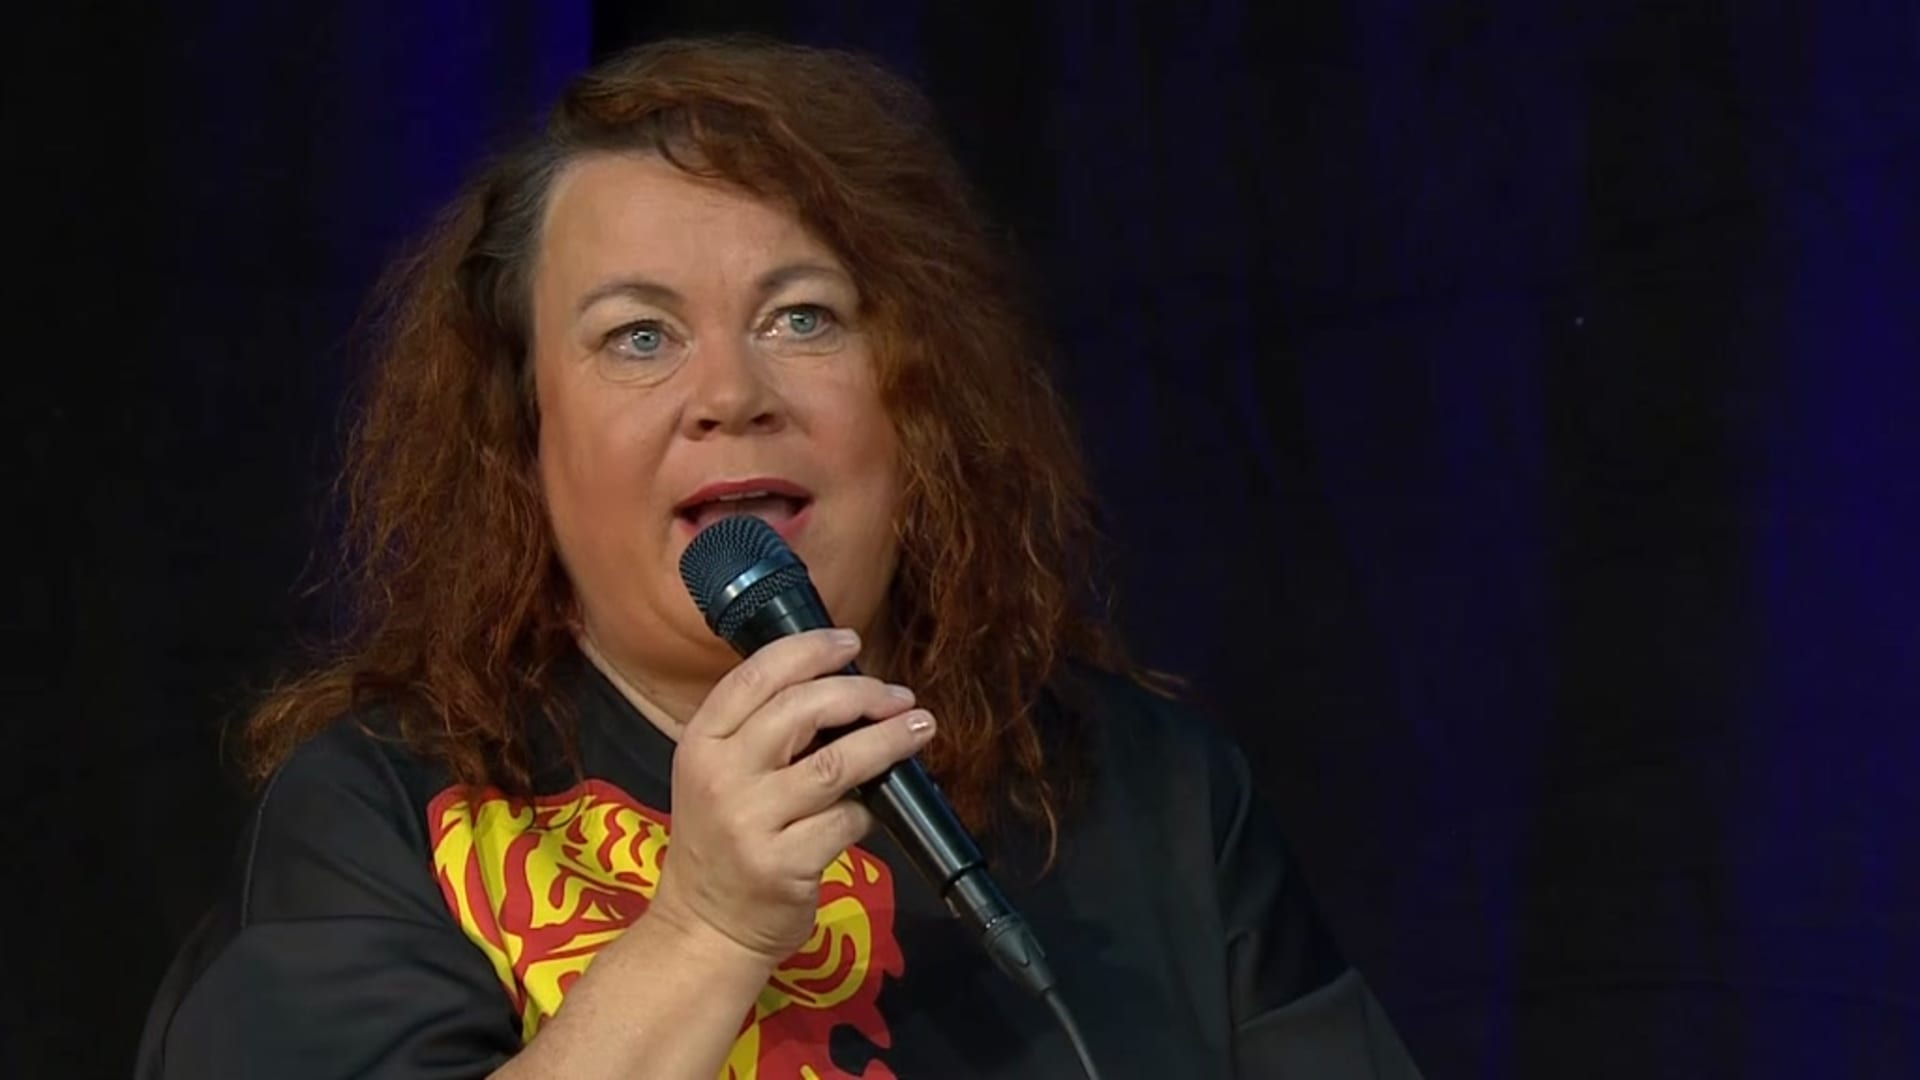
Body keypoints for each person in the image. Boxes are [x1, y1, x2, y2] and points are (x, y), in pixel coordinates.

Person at [136, 37, 1419, 1080]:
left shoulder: (1152, 792)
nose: (731, 395)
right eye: (639, 338)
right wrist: (706, 926)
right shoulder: (382, 812)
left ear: (919, 404)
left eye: (803, 318)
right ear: (522, 436)